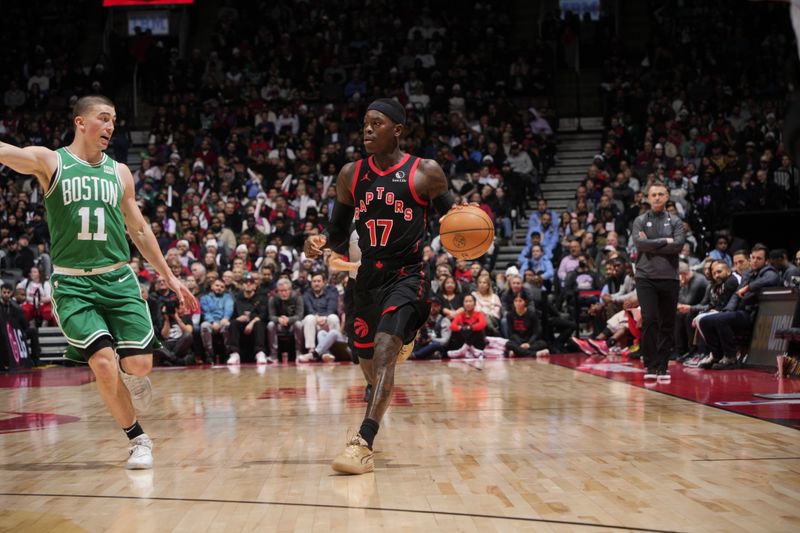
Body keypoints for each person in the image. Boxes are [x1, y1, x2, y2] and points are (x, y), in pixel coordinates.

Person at [0, 95, 197, 469]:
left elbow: (138, 228)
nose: (109, 127)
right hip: (74, 285)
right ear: (80, 122)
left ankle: (135, 375)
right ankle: (138, 438)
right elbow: (7, 151)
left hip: (118, 279)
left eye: (114, 121)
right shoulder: (51, 161)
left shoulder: (119, 171)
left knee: (138, 365)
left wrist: (169, 277)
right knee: (104, 364)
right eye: (103, 119)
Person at [305, 97, 459, 475]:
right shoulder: (350, 175)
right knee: (372, 369)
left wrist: (466, 234)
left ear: (398, 130)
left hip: (407, 275)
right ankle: (375, 406)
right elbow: (338, 235)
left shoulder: (426, 172)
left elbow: (454, 225)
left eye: (377, 123)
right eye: (364, 125)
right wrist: (320, 243)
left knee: (386, 349)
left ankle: (363, 443)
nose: (368, 130)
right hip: (365, 278)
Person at [631, 181, 685, 381]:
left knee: (667, 323)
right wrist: (665, 240)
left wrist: (651, 244)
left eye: (661, 194)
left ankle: (663, 366)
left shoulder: (675, 221)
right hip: (645, 277)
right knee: (650, 319)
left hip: (670, 277)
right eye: (653, 194)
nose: (657, 198)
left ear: (667, 196)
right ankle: (650, 365)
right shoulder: (640, 220)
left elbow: (678, 246)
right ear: (648, 197)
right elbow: (639, 244)